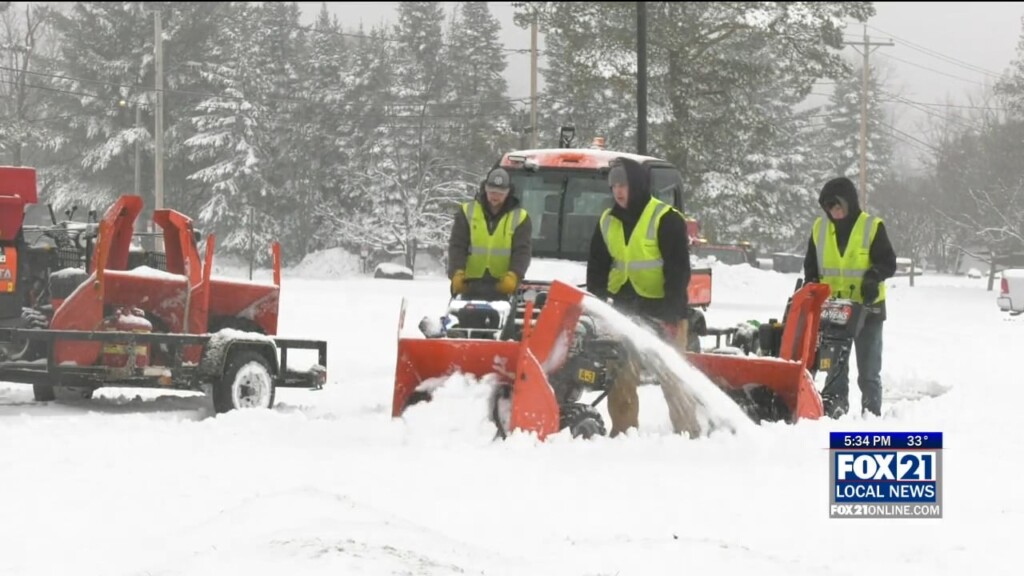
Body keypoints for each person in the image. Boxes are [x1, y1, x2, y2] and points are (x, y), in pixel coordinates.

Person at [586, 156, 693, 437]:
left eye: (623, 185)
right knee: (620, 377)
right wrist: (599, 306)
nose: (618, 192)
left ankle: (688, 433)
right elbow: (596, 268)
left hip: (665, 311)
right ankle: (624, 433)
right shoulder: (607, 221)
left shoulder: (666, 218)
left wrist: (671, 315)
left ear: (638, 184)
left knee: (673, 378)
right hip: (625, 311)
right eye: (613, 186)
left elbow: (678, 270)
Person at [803, 176, 897, 418]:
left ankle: (871, 412)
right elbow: (811, 266)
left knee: (869, 369)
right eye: (829, 207)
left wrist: (873, 277)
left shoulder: (871, 227)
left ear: (849, 202)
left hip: (868, 308)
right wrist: (810, 287)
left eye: (838, 205)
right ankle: (835, 407)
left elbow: (888, 262)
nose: (834, 212)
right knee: (834, 366)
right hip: (834, 309)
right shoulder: (819, 229)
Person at [447, 167, 532, 300]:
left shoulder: (520, 217)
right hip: (470, 284)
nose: (495, 196)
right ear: (485, 189)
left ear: (508, 192)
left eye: (500, 193)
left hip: (502, 286)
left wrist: (514, 275)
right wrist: (456, 272)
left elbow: (522, 251)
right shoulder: (467, 211)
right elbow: (457, 245)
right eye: (492, 192)